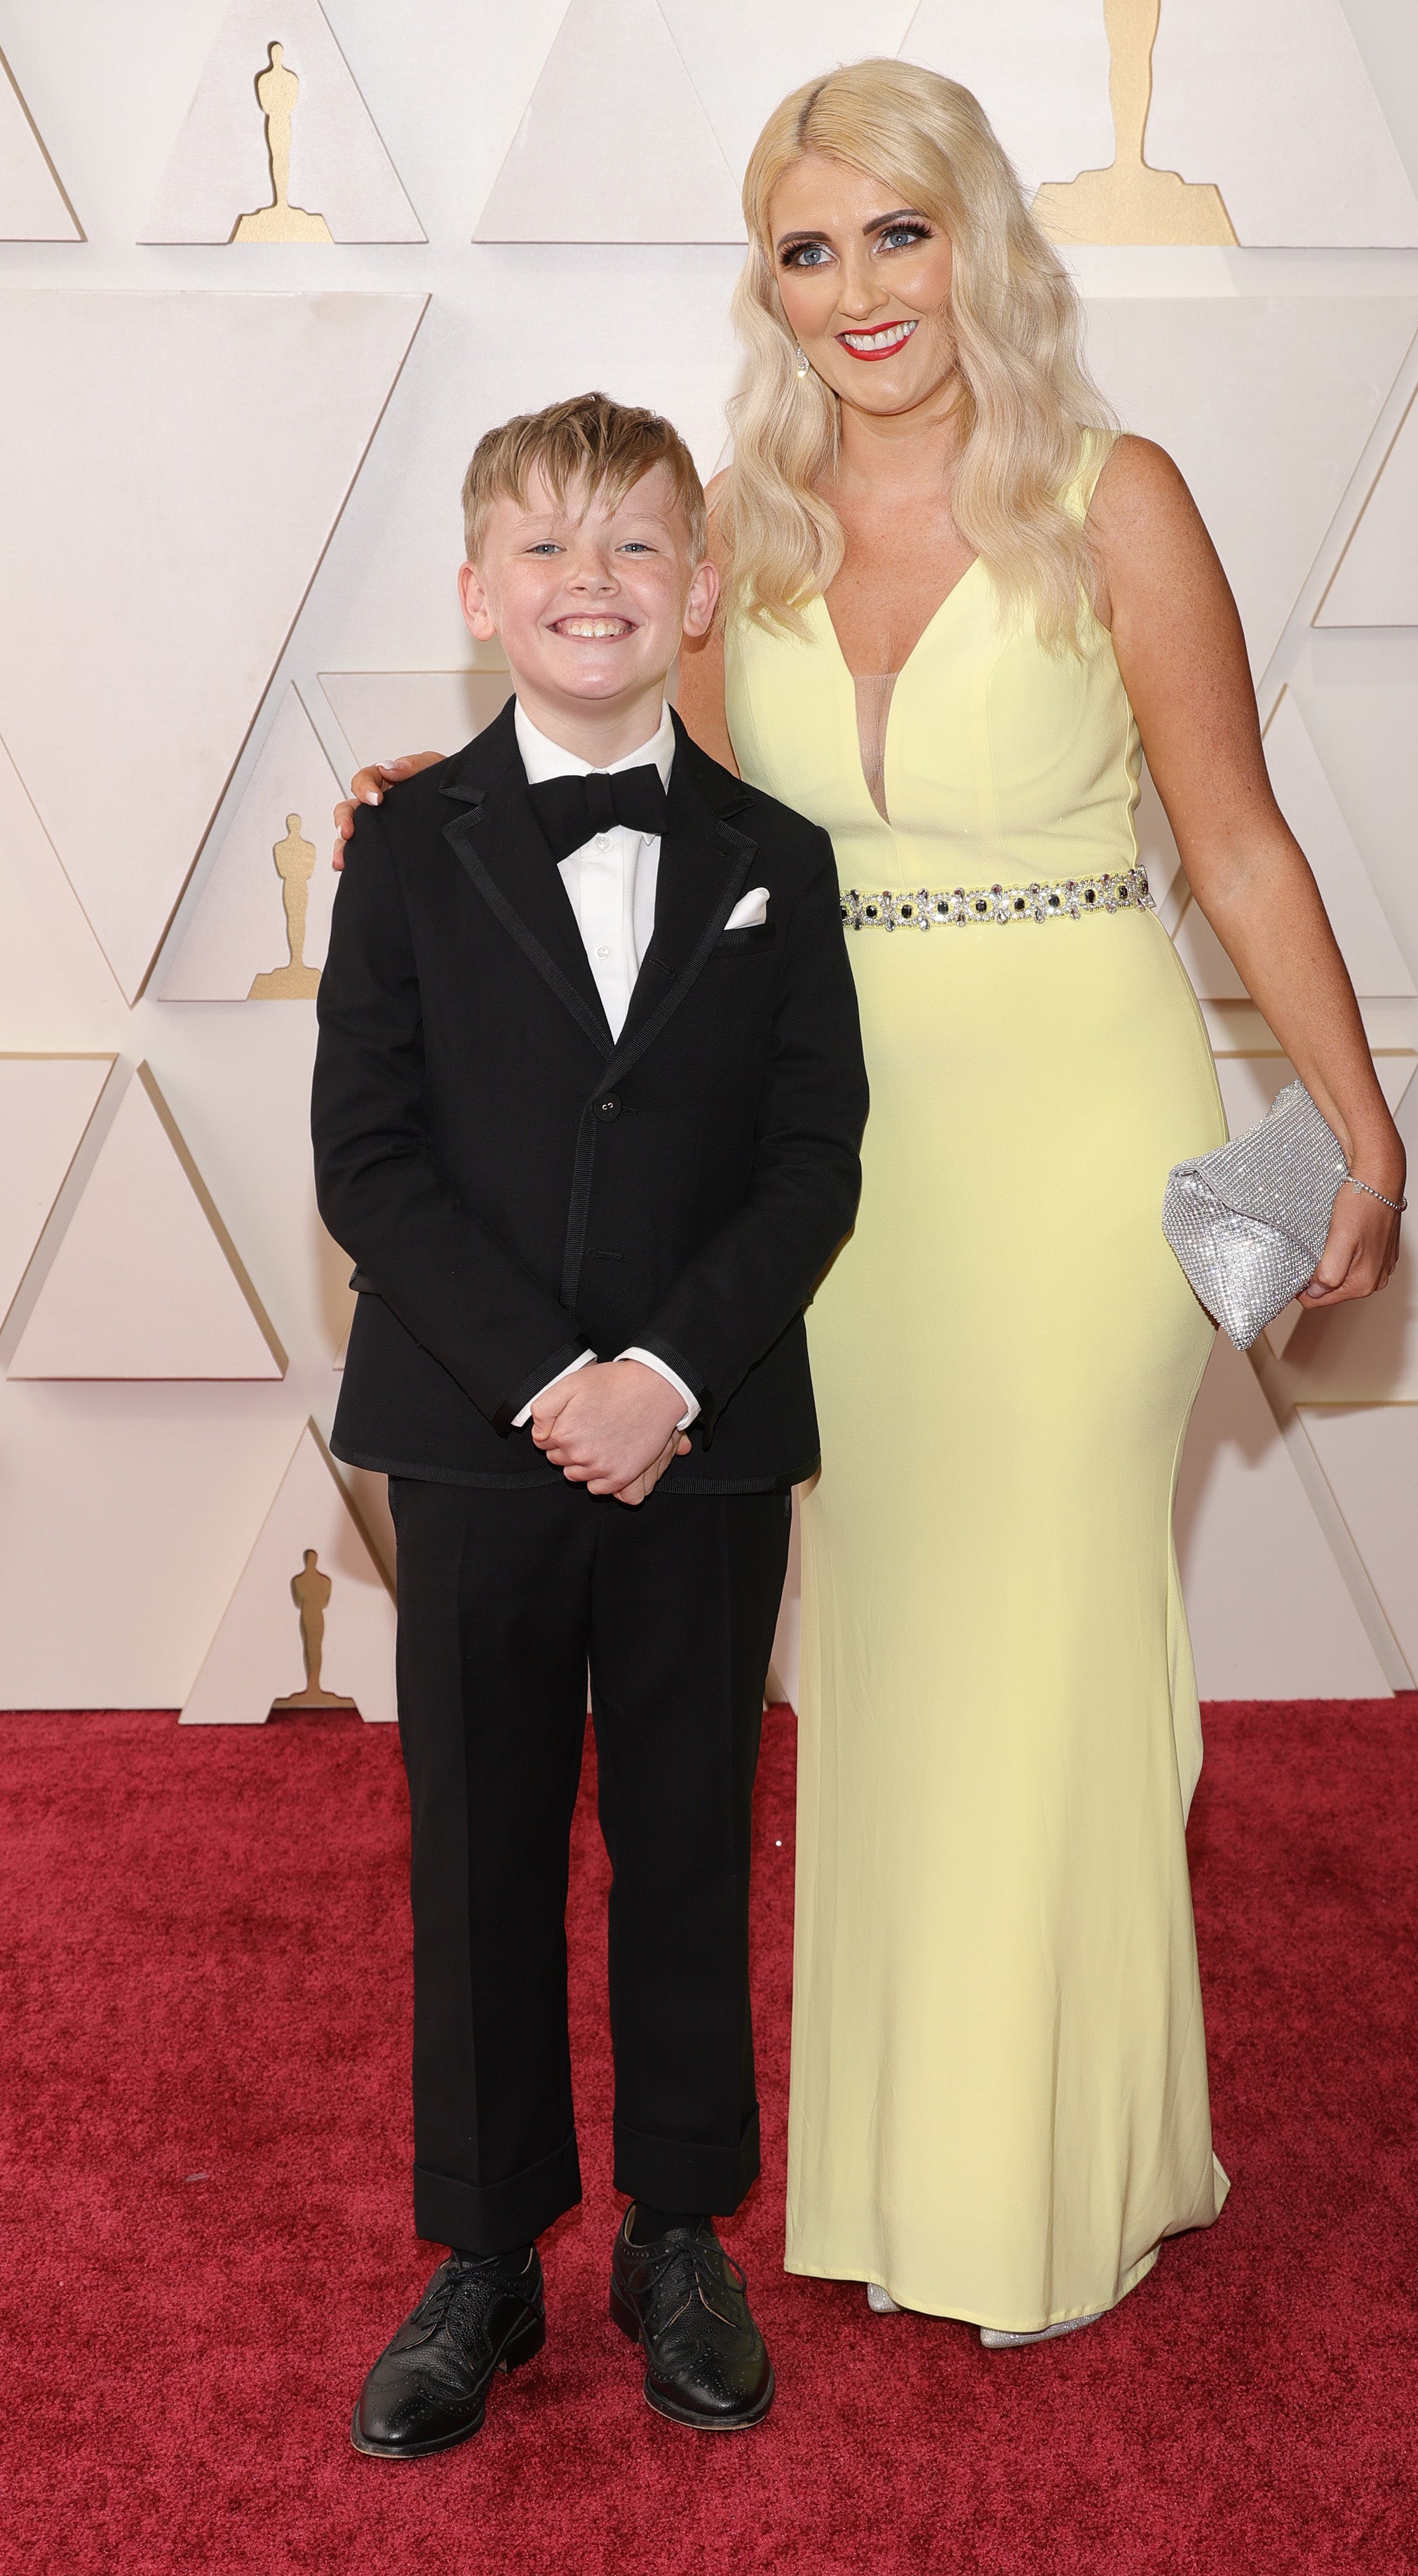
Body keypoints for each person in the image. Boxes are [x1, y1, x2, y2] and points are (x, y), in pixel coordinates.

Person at [334, 61, 1403, 2348]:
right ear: (772, 283)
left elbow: (1231, 841)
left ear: (973, 240)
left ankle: (1060, 2164)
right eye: (807, 251)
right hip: (813, 1182)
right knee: (884, 1668)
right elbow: (657, 781)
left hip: (1079, 1138)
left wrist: (1357, 1119)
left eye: (893, 236)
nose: (855, 291)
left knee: (1049, 1643)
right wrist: (455, 787)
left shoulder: (1115, 502)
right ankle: (889, 2170)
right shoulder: (745, 525)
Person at [312, 391, 865, 2455]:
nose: (590, 584)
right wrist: (552, 1384)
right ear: (477, 594)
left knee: (689, 1837)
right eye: (542, 549)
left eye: (635, 545)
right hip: (473, 1438)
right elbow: (367, 1160)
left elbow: (816, 1155)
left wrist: (670, 1378)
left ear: (700, 587)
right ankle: (482, 2256)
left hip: (705, 1445)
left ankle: (675, 2231)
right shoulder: (403, 843)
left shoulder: (775, 863)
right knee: (474, 1846)